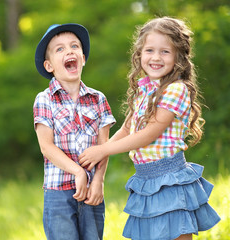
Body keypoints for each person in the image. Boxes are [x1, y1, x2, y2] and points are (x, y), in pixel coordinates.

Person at [79, 17, 220, 240]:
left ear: (178, 57)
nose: (155, 57)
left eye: (165, 52)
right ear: (139, 54)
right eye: (149, 50)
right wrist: (102, 149)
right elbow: (128, 129)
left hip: (170, 180)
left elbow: (148, 134)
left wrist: (103, 151)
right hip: (145, 182)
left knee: (176, 233)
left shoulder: (175, 90)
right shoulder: (144, 90)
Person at [33, 23, 116, 240]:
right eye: (59, 49)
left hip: (91, 192)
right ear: (49, 65)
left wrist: (98, 180)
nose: (69, 51)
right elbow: (46, 146)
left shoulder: (98, 99)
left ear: (83, 58)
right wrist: (78, 172)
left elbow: (103, 147)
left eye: (74, 46)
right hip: (58, 192)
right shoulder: (45, 99)